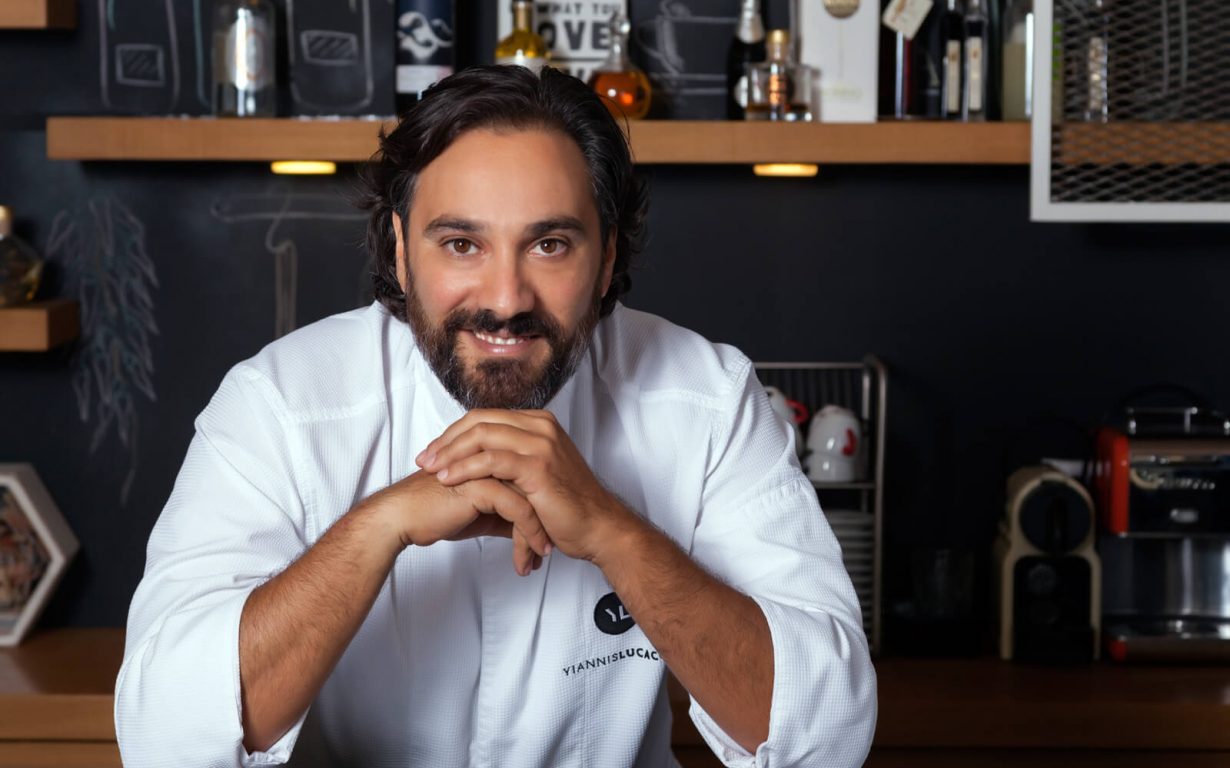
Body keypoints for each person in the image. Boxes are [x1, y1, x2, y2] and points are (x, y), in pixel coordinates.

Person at [115, 65, 876, 768]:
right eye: (461, 243)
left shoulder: (707, 396)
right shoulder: (282, 404)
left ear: (608, 257)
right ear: (401, 251)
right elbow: (163, 738)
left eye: (550, 244)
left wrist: (613, 533)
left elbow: (830, 733)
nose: (506, 299)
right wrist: (377, 528)